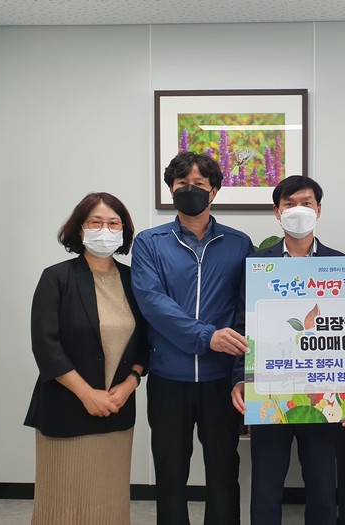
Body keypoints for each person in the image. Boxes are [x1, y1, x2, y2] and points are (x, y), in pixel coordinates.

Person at [230, 176, 345, 525]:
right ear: (277, 211)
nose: (298, 210)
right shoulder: (257, 264)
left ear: (319, 210)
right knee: (266, 486)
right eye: (289, 204)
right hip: (269, 389)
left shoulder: (339, 263)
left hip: (324, 392)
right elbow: (243, 324)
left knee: (322, 486)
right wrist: (239, 378)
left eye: (306, 203)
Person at [131, 152, 253, 524]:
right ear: (171, 189)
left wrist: (241, 372)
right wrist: (206, 336)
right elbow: (152, 302)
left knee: (223, 472)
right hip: (169, 377)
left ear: (214, 191)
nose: (190, 189)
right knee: (170, 475)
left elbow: (245, 308)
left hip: (220, 380)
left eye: (199, 183)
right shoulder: (150, 243)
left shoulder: (238, 243)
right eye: (182, 183)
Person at [24, 192, 149, 525]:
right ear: (80, 229)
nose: (104, 230)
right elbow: (46, 345)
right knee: (63, 503)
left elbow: (145, 342)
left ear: (124, 231)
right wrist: (86, 393)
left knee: (108, 502)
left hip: (117, 409)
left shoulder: (134, 281)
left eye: (113, 223)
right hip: (67, 408)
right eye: (95, 222)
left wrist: (130, 383)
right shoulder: (57, 278)